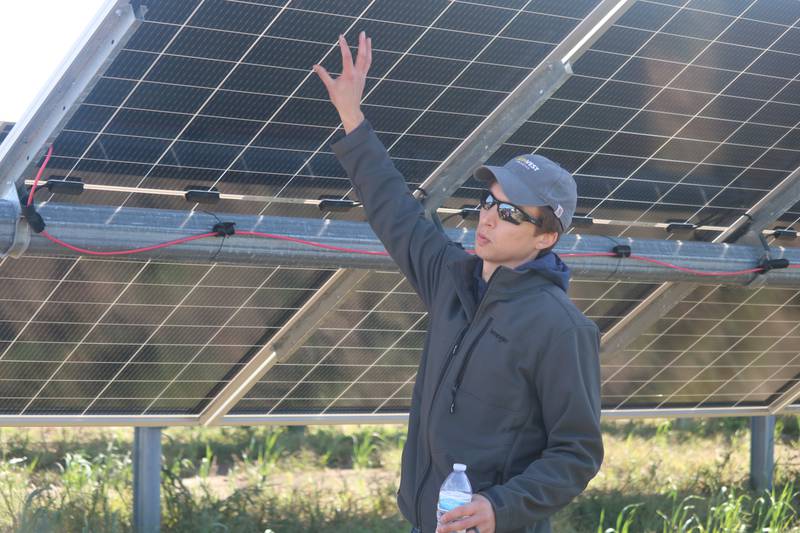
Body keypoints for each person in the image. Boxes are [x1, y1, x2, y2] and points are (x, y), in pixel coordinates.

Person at [314, 32, 603, 533]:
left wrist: (502, 507)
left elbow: (577, 453)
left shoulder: (561, 329)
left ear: (546, 236)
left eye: (510, 212)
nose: (488, 218)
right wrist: (352, 118)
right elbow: (396, 212)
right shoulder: (453, 279)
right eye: (488, 202)